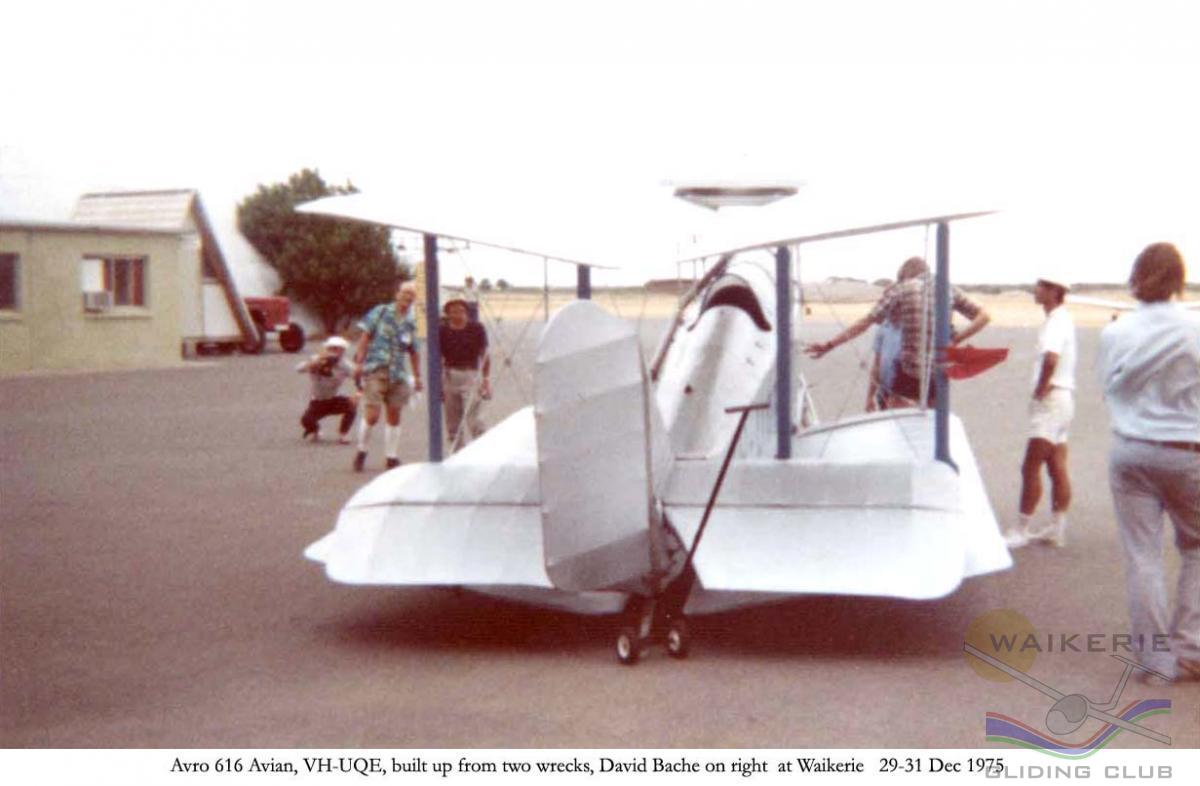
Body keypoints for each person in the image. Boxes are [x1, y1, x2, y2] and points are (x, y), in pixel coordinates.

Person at [1098, 242, 1200, 682]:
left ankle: (1156, 660)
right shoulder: (1194, 328)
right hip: (1187, 450)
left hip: (1131, 448)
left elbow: (1108, 388)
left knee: (1144, 557)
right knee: (1196, 549)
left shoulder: (1117, 331)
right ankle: (1190, 648)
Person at [806, 257, 991, 407]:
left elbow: (865, 322)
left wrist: (830, 345)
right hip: (938, 372)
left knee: (897, 423)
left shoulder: (902, 288)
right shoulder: (947, 288)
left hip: (909, 371)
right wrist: (957, 339)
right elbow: (984, 316)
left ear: (905, 275)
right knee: (931, 426)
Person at [1006, 277, 1076, 548]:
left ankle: (1021, 529)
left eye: (1041, 286)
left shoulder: (1056, 322)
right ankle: (1058, 528)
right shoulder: (1061, 319)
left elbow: (1051, 358)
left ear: (1054, 291)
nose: (1036, 290)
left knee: (1031, 465)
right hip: (1064, 399)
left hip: (1052, 400)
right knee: (1056, 464)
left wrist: (1041, 386)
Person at [352, 281, 423, 472]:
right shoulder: (381, 312)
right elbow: (365, 337)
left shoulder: (410, 323)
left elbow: (414, 351)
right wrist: (359, 363)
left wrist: (417, 376)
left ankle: (391, 457)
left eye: (411, 295)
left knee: (394, 415)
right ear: (397, 294)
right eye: (405, 292)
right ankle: (362, 450)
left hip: (397, 373)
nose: (407, 297)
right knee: (372, 416)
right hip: (376, 369)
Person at [438, 298, 491, 452]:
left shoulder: (476, 328)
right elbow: (437, 357)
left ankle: (482, 450)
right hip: (450, 374)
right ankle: (457, 452)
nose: (458, 315)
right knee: (453, 420)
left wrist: (485, 379)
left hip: (470, 374)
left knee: (474, 418)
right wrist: (439, 383)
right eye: (454, 312)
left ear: (467, 313)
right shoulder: (442, 331)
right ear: (448, 314)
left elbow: (484, 354)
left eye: (461, 311)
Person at [296, 336, 358, 444]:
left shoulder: (345, 365)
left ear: (343, 351)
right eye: (332, 348)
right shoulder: (316, 359)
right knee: (306, 420)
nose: (335, 352)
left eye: (339, 349)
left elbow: (359, 377)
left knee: (351, 406)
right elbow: (298, 368)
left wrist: (357, 394)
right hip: (318, 400)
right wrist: (312, 364)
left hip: (333, 398)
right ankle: (315, 430)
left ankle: (343, 434)